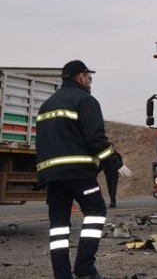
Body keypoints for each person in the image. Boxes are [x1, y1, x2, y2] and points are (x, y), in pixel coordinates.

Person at [36, 60, 131, 279]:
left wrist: (43, 176)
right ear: (80, 77)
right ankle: (85, 268)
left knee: (58, 227)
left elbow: (41, 142)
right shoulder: (85, 100)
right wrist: (115, 163)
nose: (89, 81)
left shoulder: (46, 105)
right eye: (88, 76)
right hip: (78, 173)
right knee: (96, 211)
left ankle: (62, 275)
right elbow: (95, 138)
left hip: (52, 176)